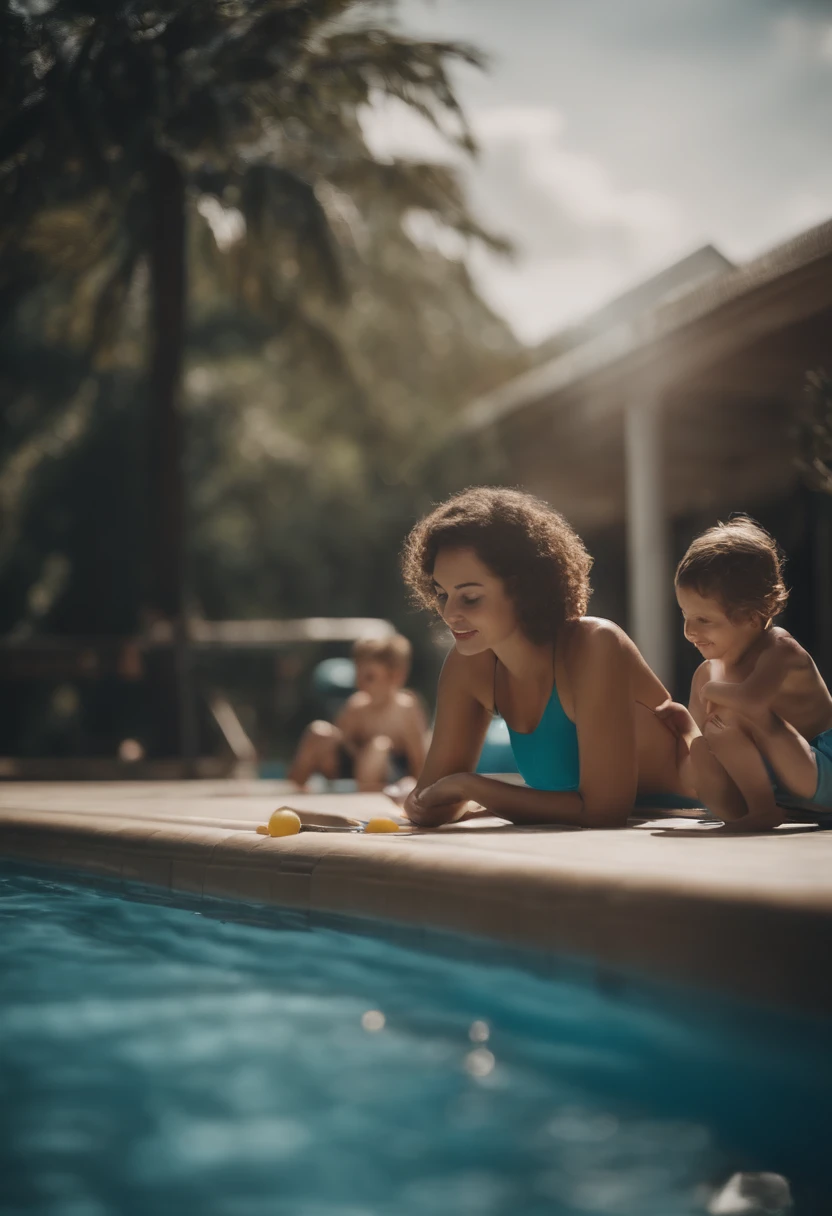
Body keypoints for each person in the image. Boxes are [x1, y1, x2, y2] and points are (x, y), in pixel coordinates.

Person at [398, 486, 698, 828]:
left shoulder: (595, 646)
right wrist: (431, 802)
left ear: (525, 589)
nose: (449, 613)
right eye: (441, 594)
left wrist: (472, 787)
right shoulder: (471, 664)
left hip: (701, 831)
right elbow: (433, 799)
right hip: (596, 851)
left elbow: (604, 811)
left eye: (469, 598)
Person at [656, 517, 832, 832]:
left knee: (737, 708)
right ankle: (752, 812)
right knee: (701, 750)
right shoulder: (708, 673)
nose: (689, 631)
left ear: (752, 617)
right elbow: (695, 761)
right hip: (777, 787)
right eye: (684, 615)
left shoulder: (779, 649)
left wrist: (711, 692)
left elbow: (752, 701)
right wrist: (685, 726)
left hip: (820, 772)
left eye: (703, 620)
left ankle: (763, 810)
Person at [289, 635, 429, 792]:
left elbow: (419, 760)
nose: (359, 683)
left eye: (369, 677)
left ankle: (366, 799)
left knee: (379, 746)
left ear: (395, 676)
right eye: (358, 675)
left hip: (389, 778)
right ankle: (296, 791)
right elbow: (341, 746)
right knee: (318, 732)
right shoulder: (357, 705)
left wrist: (419, 791)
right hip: (357, 769)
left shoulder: (405, 708)